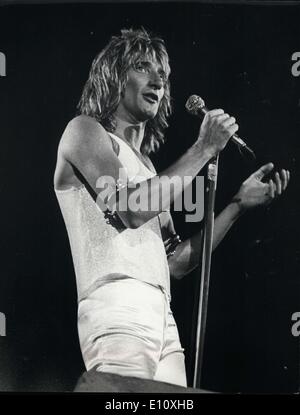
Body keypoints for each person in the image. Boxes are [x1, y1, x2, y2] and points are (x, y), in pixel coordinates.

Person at [54, 28, 290, 388]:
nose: (157, 80)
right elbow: (130, 208)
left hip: (161, 317)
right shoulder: (84, 132)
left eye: (162, 75)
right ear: (114, 76)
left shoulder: (148, 168)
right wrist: (204, 149)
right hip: (117, 305)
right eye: (142, 68)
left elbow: (175, 263)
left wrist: (238, 204)